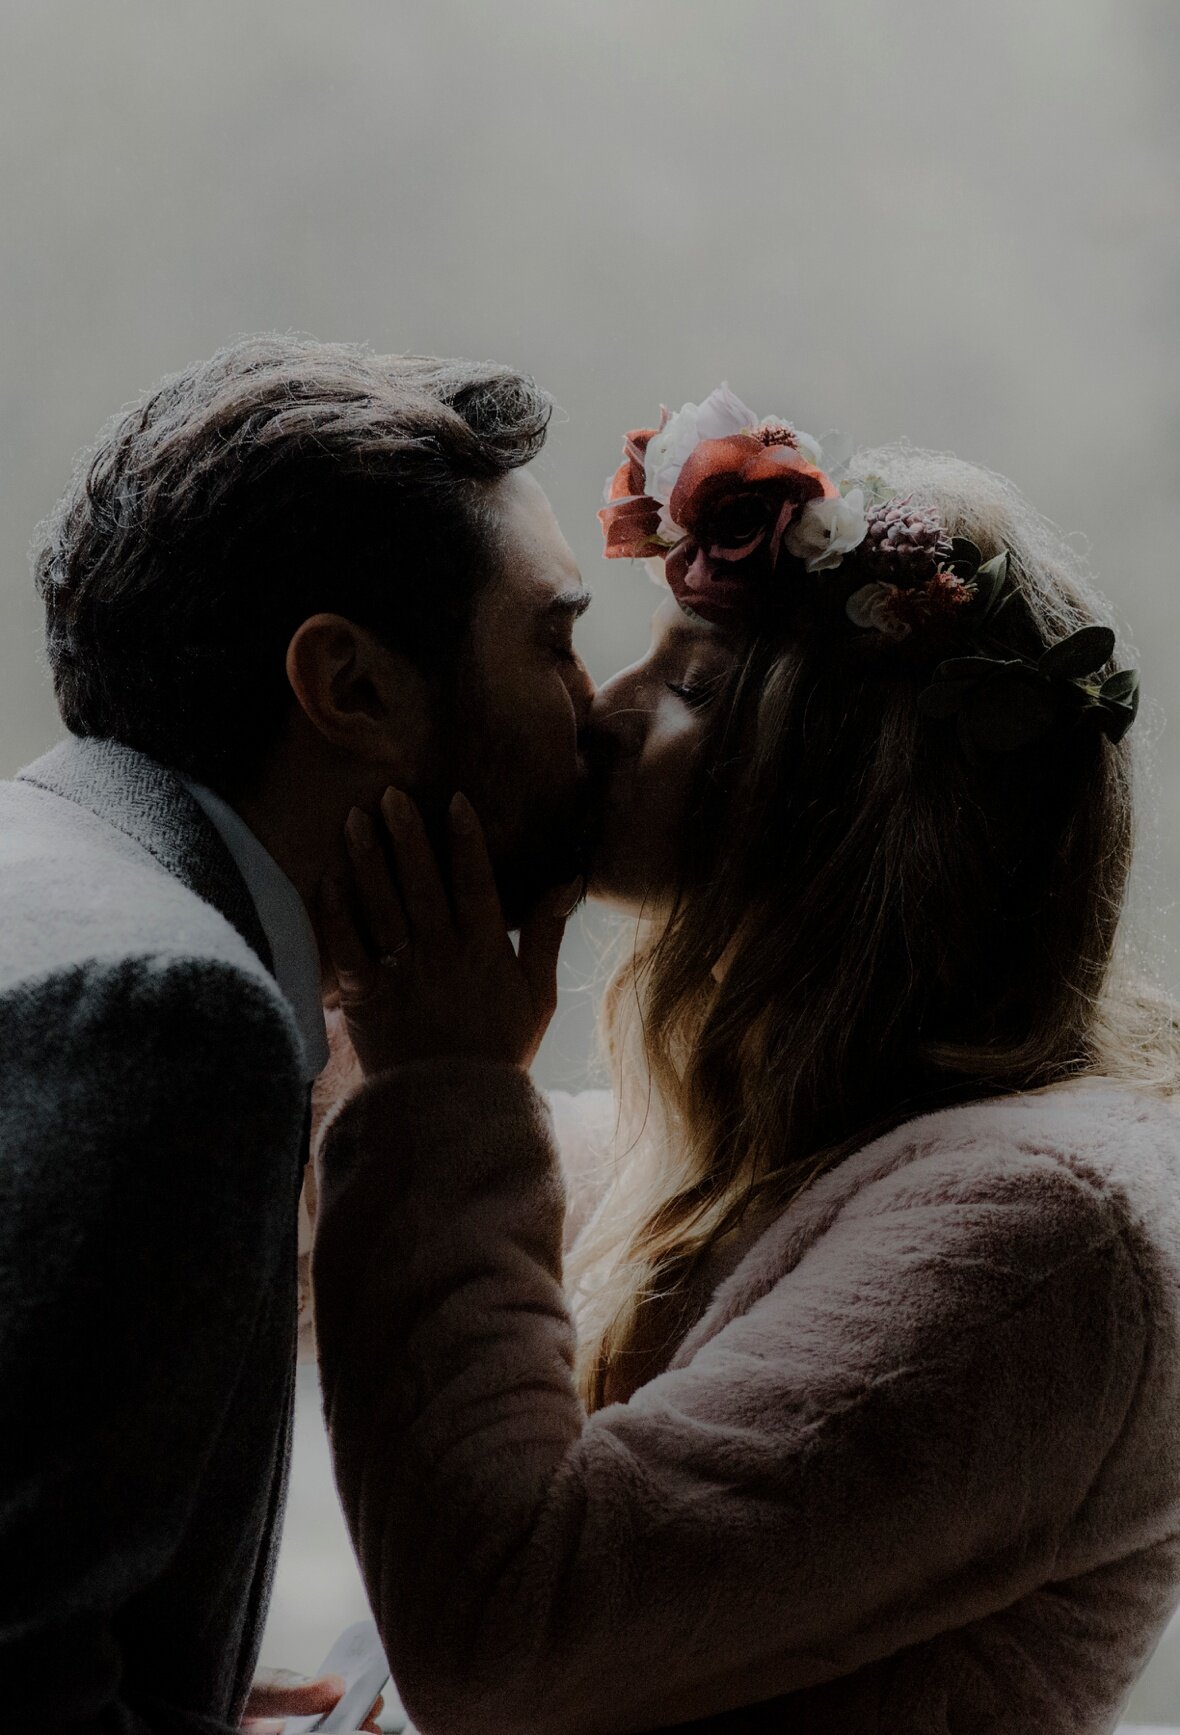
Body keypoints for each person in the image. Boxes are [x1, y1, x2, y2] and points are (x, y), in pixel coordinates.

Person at [307, 384, 1180, 1734]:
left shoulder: (1042, 1241)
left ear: (845, 807)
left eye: (692, 689)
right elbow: (337, 1242)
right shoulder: (760, 1143)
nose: (603, 713)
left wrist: (438, 1090)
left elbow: (505, 1641)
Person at [0, 336, 594, 1733]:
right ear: (353, 690)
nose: (598, 713)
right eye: (556, 641)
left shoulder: (55, 873)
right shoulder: (171, 1013)